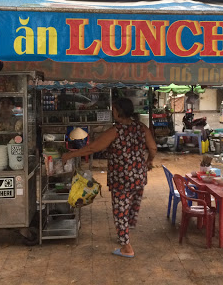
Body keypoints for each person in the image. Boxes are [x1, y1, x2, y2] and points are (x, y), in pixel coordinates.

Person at [62, 97, 157, 258]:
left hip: (122, 179)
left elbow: (92, 148)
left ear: (119, 111)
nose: (112, 112)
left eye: (113, 109)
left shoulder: (116, 130)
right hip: (139, 177)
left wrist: (70, 155)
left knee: (120, 211)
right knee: (130, 208)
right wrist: (149, 161)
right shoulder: (141, 127)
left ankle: (127, 247)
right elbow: (153, 147)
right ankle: (126, 231)